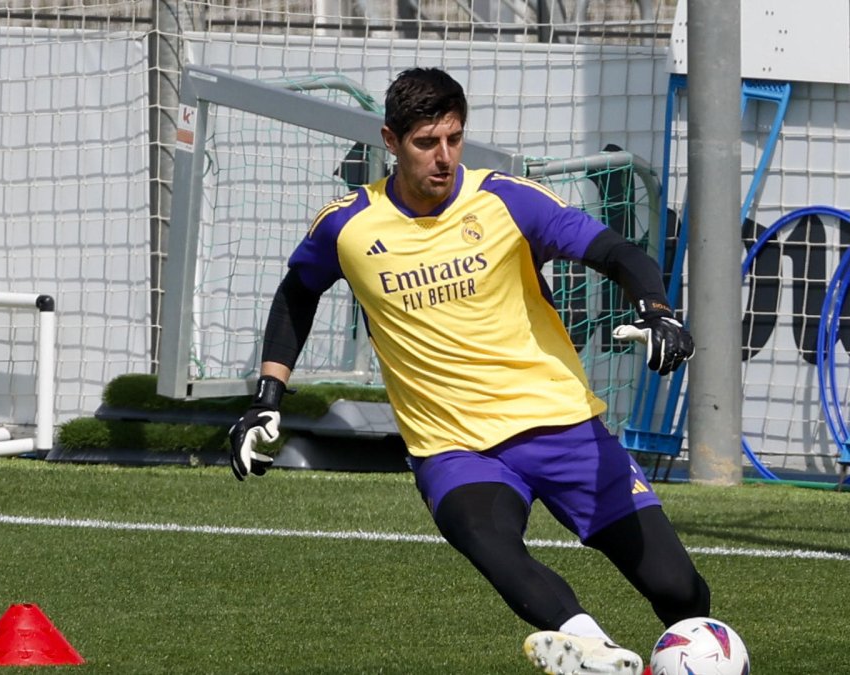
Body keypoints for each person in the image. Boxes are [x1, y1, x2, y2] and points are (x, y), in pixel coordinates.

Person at [229, 67, 710, 675]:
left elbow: (618, 253)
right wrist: (267, 397)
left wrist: (657, 311)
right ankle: (592, 651)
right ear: (390, 140)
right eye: (426, 143)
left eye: (453, 139)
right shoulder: (347, 226)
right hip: (453, 447)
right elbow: (296, 293)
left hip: (560, 426)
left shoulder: (506, 199)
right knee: (493, 545)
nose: (444, 157)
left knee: (679, 592)